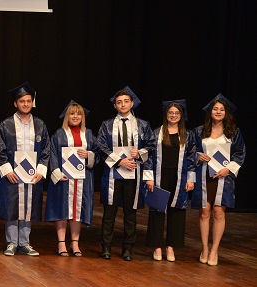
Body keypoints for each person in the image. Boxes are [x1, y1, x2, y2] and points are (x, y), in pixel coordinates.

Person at [96, 86, 155, 261]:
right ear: (115, 105)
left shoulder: (142, 125)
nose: (122, 104)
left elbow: (151, 146)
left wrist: (140, 153)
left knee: (130, 213)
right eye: (119, 102)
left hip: (133, 173)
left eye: (126, 101)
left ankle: (128, 248)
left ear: (132, 103)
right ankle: (106, 247)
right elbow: (100, 145)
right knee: (109, 213)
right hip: (113, 173)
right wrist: (119, 161)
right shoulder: (107, 125)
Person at [191, 94, 246, 266]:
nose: (218, 112)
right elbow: (190, 151)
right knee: (204, 212)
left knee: (218, 212)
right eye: (215, 109)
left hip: (223, 177)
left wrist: (228, 169)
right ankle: (204, 249)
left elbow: (240, 153)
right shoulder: (199, 131)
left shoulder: (233, 132)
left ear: (226, 113)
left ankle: (214, 250)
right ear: (210, 111)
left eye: (222, 109)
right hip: (203, 175)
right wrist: (198, 155)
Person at [0, 82, 50, 257]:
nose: (25, 104)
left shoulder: (40, 125)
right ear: (15, 103)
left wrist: (41, 170)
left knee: (29, 206)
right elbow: (0, 149)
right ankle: (12, 243)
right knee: (12, 205)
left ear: (32, 102)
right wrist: (7, 170)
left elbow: (46, 150)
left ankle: (25, 243)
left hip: (32, 174)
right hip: (12, 173)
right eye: (22, 101)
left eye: (28, 101)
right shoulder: (6, 125)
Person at [143, 100, 195, 262]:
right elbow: (148, 156)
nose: (173, 115)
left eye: (177, 113)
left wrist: (191, 179)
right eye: (170, 112)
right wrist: (149, 177)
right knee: (157, 211)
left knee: (177, 211)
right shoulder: (156, 132)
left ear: (181, 115)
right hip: (159, 175)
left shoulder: (188, 135)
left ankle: (171, 247)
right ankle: (157, 247)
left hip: (179, 177)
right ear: (166, 115)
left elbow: (192, 157)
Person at [44, 101, 97, 257]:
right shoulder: (59, 134)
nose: (75, 116)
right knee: (62, 209)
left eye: (78, 114)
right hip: (64, 178)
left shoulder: (88, 134)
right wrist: (57, 172)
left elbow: (97, 153)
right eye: (72, 113)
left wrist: (89, 155)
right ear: (67, 116)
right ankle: (61, 242)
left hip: (82, 179)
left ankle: (75, 243)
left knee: (77, 211)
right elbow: (53, 154)